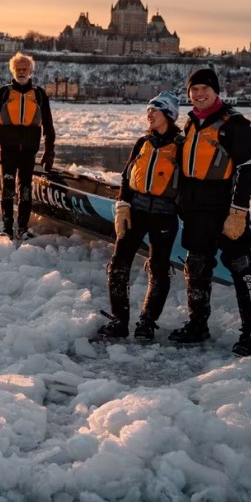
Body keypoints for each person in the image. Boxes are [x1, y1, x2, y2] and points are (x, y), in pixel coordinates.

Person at [169, 66, 251, 356]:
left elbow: (247, 170)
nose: (199, 94)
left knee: (240, 265)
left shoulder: (235, 124)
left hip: (226, 208)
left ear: (216, 92)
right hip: (196, 209)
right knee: (196, 264)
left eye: (204, 90)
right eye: (194, 90)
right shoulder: (190, 124)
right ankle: (198, 324)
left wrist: (238, 210)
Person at [97, 91, 183, 341]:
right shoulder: (142, 142)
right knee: (118, 265)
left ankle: (147, 322)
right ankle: (119, 320)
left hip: (164, 216)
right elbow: (126, 176)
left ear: (168, 114)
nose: (149, 114)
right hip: (135, 212)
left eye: (155, 110)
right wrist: (123, 205)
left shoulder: (181, 145)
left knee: (158, 268)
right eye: (148, 110)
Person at [0, 52, 56, 240]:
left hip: (28, 152)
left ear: (30, 71)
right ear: (13, 71)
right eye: (18, 69)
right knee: (7, 188)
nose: (21, 72)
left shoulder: (38, 95)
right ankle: (7, 227)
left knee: (25, 189)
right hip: (7, 150)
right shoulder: (4, 93)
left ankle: (22, 228)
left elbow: (48, 124)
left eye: (25, 69)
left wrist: (49, 150)